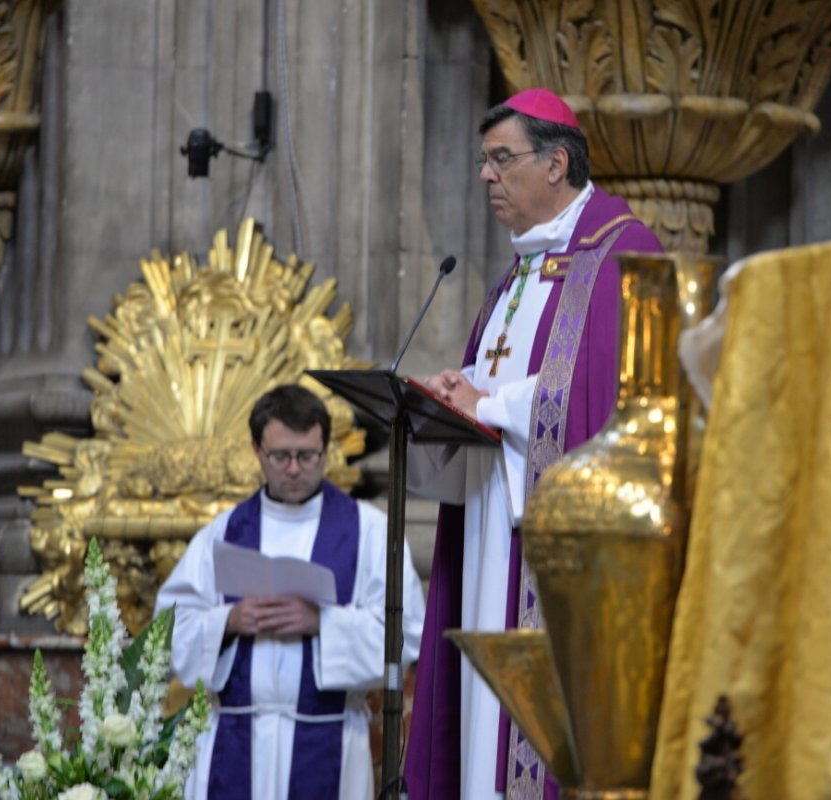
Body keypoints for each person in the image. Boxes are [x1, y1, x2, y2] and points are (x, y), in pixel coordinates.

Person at [404, 88, 664, 799]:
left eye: (501, 160)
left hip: (554, 548)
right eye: (484, 162)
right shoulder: (515, 275)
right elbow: (507, 393)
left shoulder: (623, 251)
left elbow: (615, 399)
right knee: (478, 738)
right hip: (491, 529)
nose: (487, 177)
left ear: (555, 164)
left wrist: (493, 403)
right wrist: (456, 398)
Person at [157, 383, 426, 800]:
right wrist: (227, 622)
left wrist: (323, 623)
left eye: (308, 456)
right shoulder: (224, 532)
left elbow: (406, 633)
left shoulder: (370, 532)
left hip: (329, 739)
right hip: (233, 737)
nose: (295, 468)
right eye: (280, 456)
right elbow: (167, 629)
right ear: (255, 450)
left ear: (326, 450)